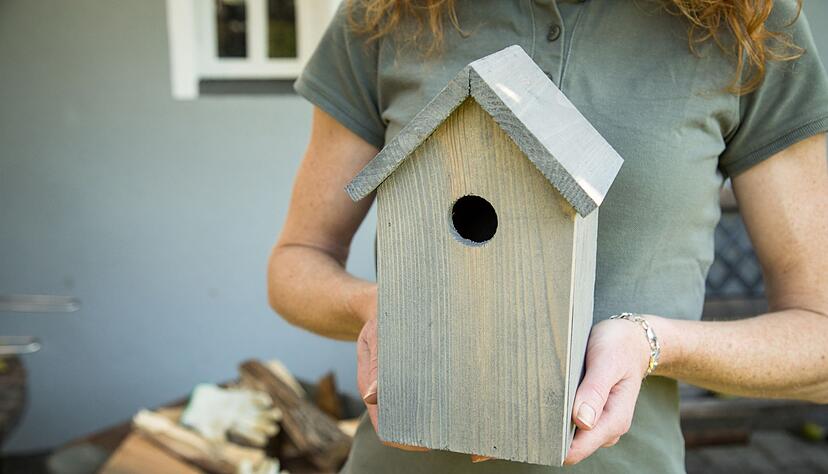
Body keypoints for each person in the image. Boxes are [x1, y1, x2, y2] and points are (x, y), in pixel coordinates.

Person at [267, 0, 828, 472]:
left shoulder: (747, 22)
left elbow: (817, 338)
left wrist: (652, 342)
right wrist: (385, 310)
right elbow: (297, 263)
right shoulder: (391, 12)